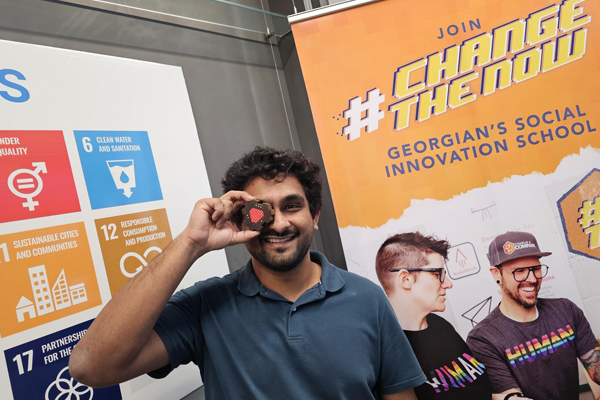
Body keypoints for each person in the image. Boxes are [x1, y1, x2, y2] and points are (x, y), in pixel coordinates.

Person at [69, 147, 426, 399]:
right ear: (242, 220)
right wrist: (191, 242)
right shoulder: (205, 306)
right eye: (262, 212)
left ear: (314, 216)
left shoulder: (366, 297)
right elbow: (90, 367)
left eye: (292, 206)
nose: (279, 223)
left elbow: (398, 394)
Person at [466, 231, 600, 400]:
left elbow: (595, 370)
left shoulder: (566, 310)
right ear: (496, 274)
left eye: (536, 269)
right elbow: (511, 397)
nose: (532, 279)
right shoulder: (483, 338)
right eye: (519, 271)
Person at [376, 232, 493, 399]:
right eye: (437, 274)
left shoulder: (440, 325)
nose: (448, 284)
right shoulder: (385, 349)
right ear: (406, 279)